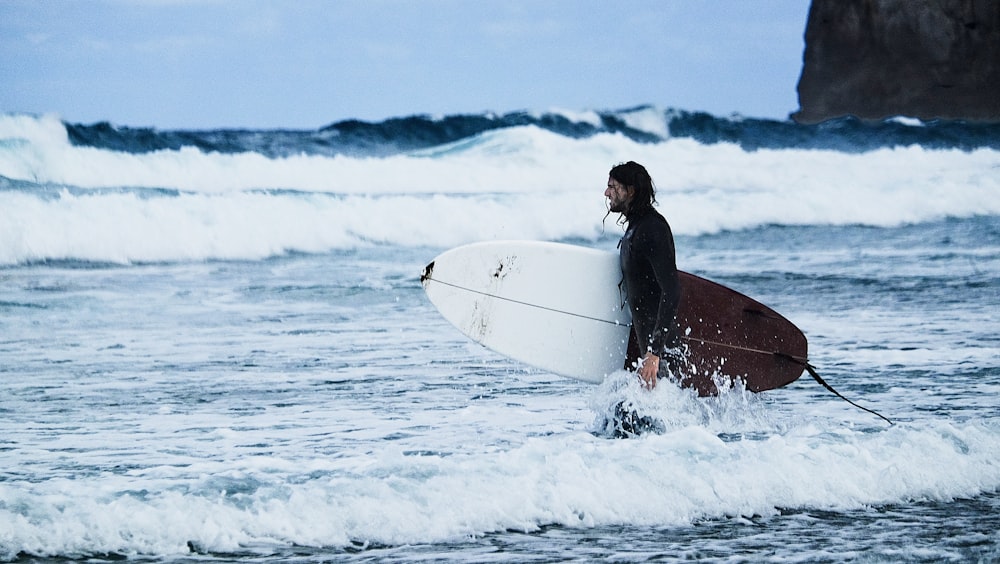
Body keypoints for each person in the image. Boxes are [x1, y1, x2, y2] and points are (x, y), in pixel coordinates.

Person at [604, 161, 684, 435]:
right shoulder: (636, 228)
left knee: (641, 427)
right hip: (649, 350)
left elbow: (671, 291)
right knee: (625, 423)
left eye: (613, 187)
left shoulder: (652, 229)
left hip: (661, 354)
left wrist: (654, 353)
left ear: (631, 191)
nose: (606, 193)